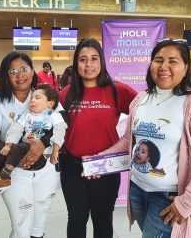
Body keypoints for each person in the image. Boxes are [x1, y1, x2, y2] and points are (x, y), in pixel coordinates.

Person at [99, 39, 191, 237]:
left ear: (186, 68)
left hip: (169, 197)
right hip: (138, 191)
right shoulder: (141, 99)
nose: (164, 67)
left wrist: (187, 202)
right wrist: (98, 160)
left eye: (173, 61)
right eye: (158, 60)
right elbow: (128, 141)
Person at [59, 38, 137, 238]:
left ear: (101, 62)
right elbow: (55, 128)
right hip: (73, 167)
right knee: (76, 219)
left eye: (94, 58)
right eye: (83, 59)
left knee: (102, 221)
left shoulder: (116, 90)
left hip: (105, 168)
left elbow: (145, 111)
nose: (89, 64)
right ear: (76, 63)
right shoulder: (66, 94)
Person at [0, 52, 61, 238]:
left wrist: (42, 144)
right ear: (5, 74)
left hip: (47, 169)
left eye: (24, 69)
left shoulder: (44, 95)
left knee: (39, 225)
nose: (20, 75)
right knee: (22, 226)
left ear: (32, 70)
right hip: (14, 171)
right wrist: (13, 156)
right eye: (12, 71)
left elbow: (61, 122)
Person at [0, 84, 67, 198]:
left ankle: (6, 174)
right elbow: (16, 129)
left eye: (37, 98)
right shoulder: (27, 115)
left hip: (40, 155)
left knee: (20, 148)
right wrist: (8, 145)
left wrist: (55, 152)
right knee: (0, 148)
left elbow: (60, 131)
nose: (32, 100)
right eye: (32, 98)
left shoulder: (53, 115)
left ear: (50, 103)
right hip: (23, 148)